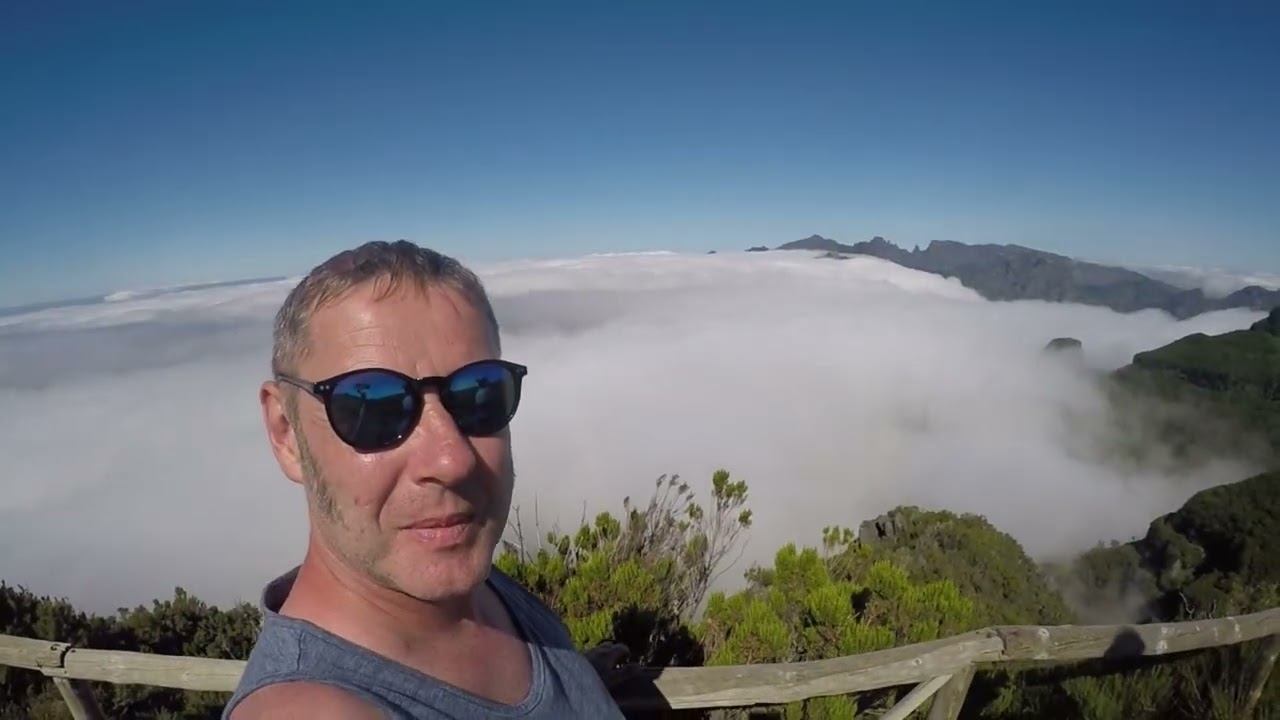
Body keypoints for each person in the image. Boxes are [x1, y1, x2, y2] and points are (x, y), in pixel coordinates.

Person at [224, 241, 628, 719]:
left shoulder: (481, 591)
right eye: (373, 407)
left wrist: (581, 674)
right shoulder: (308, 708)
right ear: (285, 432)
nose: (453, 459)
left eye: (480, 394)